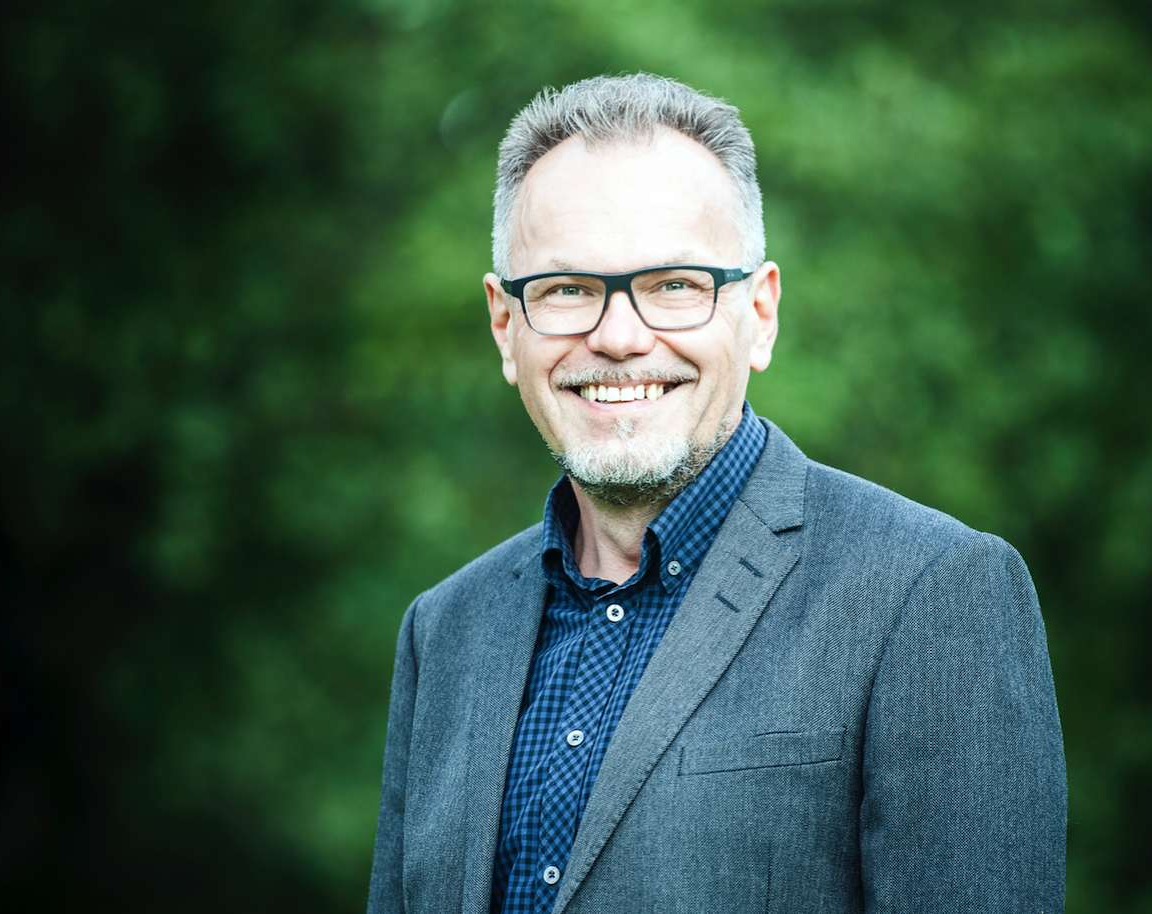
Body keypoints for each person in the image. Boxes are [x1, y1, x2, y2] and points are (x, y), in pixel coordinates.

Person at [368, 74, 1066, 914]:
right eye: (567, 289)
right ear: (504, 325)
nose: (618, 337)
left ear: (760, 313)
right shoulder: (444, 632)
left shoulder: (932, 595)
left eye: (674, 284)